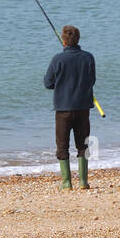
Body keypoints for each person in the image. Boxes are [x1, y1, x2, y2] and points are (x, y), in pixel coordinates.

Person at [44, 25, 96, 189]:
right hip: (83, 108)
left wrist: (61, 85)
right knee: (84, 144)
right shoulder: (88, 57)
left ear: (63, 41)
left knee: (62, 145)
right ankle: (83, 181)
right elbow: (92, 80)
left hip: (63, 110)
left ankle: (66, 182)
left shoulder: (58, 59)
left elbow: (48, 83)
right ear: (78, 39)